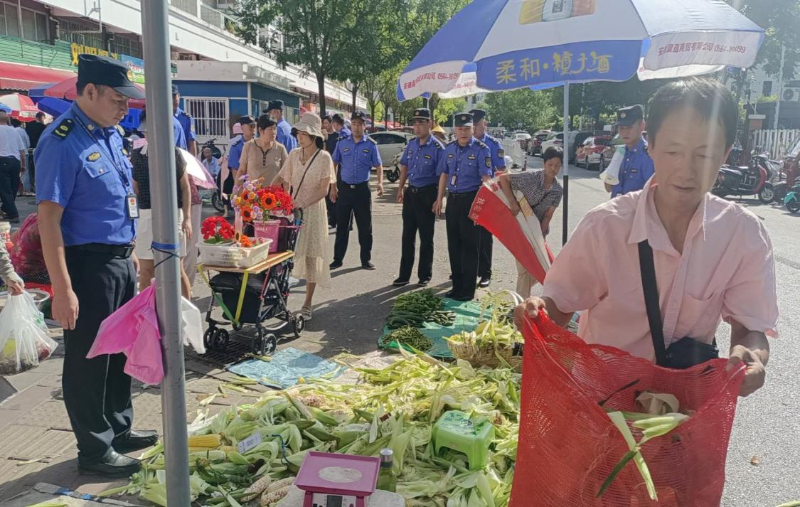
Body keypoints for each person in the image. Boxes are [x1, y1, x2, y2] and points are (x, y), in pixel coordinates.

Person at [514, 78, 777, 398]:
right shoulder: (605, 226)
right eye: (673, 151)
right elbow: (558, 306)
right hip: (601, 401)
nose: (686, 170)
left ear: (725, 154)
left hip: (681, 409)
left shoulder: (742, 233)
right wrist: (536, 312)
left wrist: (751, 357)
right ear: (650, 144)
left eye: (704, 155)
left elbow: (750, 329)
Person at [35, 54, 152, 477]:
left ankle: (119, 429)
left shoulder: (109, 134)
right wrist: (62, 289)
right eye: (117, 99)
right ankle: (95, 449)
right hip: (87, 266)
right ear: (89, 91)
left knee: (119, 352)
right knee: (88, 359)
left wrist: (131, 255)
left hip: (119, 260)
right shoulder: (62, 141)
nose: (125, 108)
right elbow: (49, 219)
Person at [273, 113, 334, 321]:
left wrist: (304, 203)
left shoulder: (324, 157)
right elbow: (280, 177)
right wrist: (264, 194)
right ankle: (280, 300)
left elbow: (324, 190)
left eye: (304, 133)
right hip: (292, 211)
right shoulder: (293, 154)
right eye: (298, 133)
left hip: (314, 211)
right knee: (285, 254)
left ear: (313, 135)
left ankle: (307, 303)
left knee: (311, 257)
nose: (299, 137)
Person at [131, 112, 192, 299]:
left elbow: (185, 187)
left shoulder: (174, 153)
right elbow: (135, 189)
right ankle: (147, 311)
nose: (149, 134)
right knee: (146, 270)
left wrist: (187, 218)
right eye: (146, 131)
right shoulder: (137, 156)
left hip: (173, 213)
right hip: (146, 214)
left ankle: (185, 310)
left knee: (175, 267)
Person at [434, 113, 492, 301]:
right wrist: (439, 199)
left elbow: (486, 179)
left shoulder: (482, 150)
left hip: (471, 201)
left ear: (473, 129)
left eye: (467, 128)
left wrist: (483, 206)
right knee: (454, 245)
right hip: (453, 201)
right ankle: (457, 286)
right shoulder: (449, 148)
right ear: (455, 130)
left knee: (469, 246)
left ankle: (468, 290)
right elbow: (444, 174)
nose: (463, 132)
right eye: (460, 128)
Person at [499, 146, 563, 297]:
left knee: (539, 269)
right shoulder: (530, 177)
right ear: (544, 163)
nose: (553, 169)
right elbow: (503, 178)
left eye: (557, 165)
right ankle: (522, 304)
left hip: (537, 231)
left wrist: (539, 238)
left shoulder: (558, 190)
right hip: (519, 228)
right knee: (524, 269)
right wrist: (512, 203)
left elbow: (548, 216)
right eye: (550, 164)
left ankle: (522, 302)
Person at [393, 108, 444, 287]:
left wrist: (439, 199)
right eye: (415, 123)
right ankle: (404, 275)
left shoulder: (437, 147)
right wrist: (400, 188)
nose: (417, 127)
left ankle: (424, 275)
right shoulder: (411, 144)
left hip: (427, 194)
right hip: (411, 193)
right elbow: (404, 167)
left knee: (426, 237)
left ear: (430, 124)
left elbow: (442, 175)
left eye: (421, 123)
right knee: (407, 236)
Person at [330, 111, 383, 270]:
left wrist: (380, 183)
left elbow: (378, 165)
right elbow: (334, 163)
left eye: (359, 124)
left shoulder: (371, 145)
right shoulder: (342, 143)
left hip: (362, 190)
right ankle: (338, 259)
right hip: (345, 190)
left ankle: (365, 260)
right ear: (350, 125)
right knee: (342, 226)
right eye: (354, 124)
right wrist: (333, 186)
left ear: (364, 126)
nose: (356, 127)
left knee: (365, 227)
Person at [470, 109, 505, 289]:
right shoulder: (465, 142)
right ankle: (470, 268)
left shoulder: (493, 144)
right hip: (468, 193)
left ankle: (485, 272)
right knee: (468, 234)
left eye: (477, 124)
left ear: (484, 123)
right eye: (472, 125)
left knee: (484, 236)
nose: (474, 128)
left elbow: (501, 172)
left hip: (486, 195)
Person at [605, 105, 655, 197]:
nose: (625, 132)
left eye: (629, 127)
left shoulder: (648, 155)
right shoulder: (620, 152)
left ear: (642, 126)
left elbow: (652, 193)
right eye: (621, 128)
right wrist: (613, 167)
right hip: (616, 205)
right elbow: (608, 187)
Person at [237, 114, 288, 185]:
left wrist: (287, 191)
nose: (274, 132)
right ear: (261, 130)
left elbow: (286, 174)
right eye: (270, 129)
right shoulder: (249, 146)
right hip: (253, 191)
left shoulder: (280, 148)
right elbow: (242, 170)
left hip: (273, 191)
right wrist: (236, 189)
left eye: (275, 128)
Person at [226, 116, 255, 211]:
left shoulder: (260, 144)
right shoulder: (236, 147)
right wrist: (241, 193)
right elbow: (236, 174)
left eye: (254, 126)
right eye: (250, 126)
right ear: (242, 127)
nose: (253, 128)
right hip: (245, 189)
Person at [0, 112, 25, 223]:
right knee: (13, 188)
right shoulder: (15, 131)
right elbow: (21, 150)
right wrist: (23, 164)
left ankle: (13, 214)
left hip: (2, 160)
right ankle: (6, 209)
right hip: (15, 161)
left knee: (5, 189)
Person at [25, 112, 48, 194]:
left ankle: (29, 187)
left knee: (29, 170)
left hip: (29, 148)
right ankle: (37, 186)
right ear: (41, 117)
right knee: (37, 169)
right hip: (38, 149)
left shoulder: (28, 125)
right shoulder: (43, 127)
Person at [172, 84, 197, 156]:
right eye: (169, 97)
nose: (172, 100)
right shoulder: (160, 118)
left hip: (181, 156)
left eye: (174, 97)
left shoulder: (187, 118)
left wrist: (192, 161)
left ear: (179, 96)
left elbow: (191, 143)